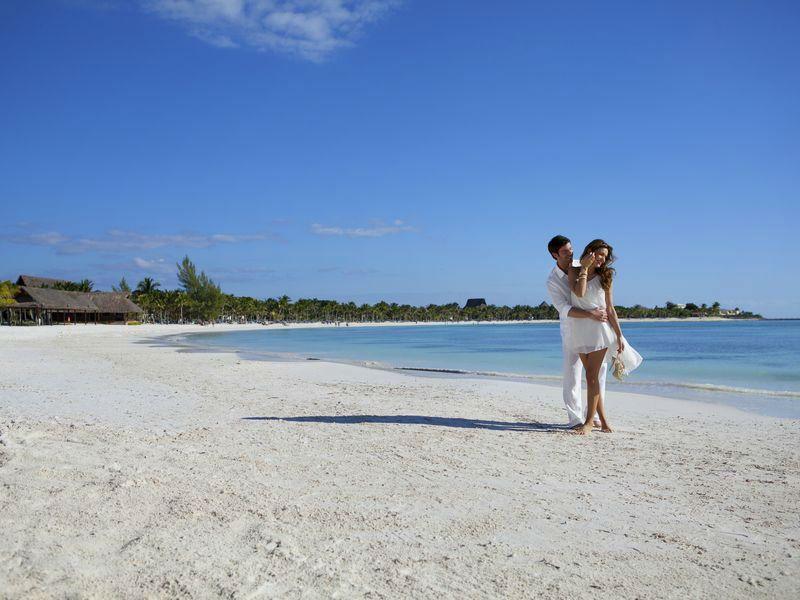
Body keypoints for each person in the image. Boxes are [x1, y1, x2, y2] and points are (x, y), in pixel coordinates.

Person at [567, 238, 641, 435]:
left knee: (591, 376)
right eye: (599, 254)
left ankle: (590, 422)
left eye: (605, 256)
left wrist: (619, 335)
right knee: (592, 378)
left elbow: (610, 308)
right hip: (580, 330)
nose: (601, 259)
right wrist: (584, 268)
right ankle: (605, 422)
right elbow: (580, 294)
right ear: (590, 251)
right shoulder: (574, 270)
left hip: (600, 330)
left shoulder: (606, 276)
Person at [546, 235, 608, 429]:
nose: (570, 253)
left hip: (595, 325)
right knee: (572, 372)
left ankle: (595, 414)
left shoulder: (581, 264)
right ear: (555, 255)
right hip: (572, 328)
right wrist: (590, 313)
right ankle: (575, 419)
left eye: (571, 249)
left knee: (599, 373)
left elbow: (599, 288)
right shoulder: (552, 281)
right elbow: (564, 309)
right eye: (565, 251)